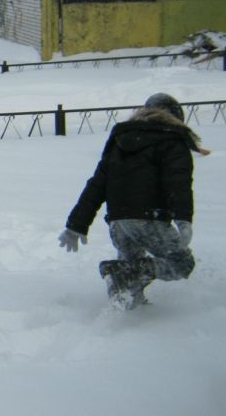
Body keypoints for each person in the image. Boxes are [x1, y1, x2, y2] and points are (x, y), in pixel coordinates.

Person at [59, 92, 210, 309]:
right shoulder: (172, 140)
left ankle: (126, 309)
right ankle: (126, 278)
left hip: (118, 221)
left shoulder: (122, 139)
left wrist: (76, 225)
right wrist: (184, 219)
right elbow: (179, 183)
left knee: (128, 272)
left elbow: (98, 184)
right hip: (151, 219)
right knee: (181, 263)